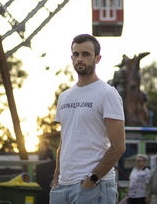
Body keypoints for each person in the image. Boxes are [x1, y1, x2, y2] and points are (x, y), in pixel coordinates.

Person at [50, 34, 126, 204]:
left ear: (97, 58)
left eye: (86, 54)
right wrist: (56, 181)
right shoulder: (64, 97)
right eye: (76, 54)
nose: (80, 59)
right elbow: (63, 144)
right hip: (61, 188)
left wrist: (92, 179)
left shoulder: (107, 93)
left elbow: (118, 146)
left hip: (93, 187)